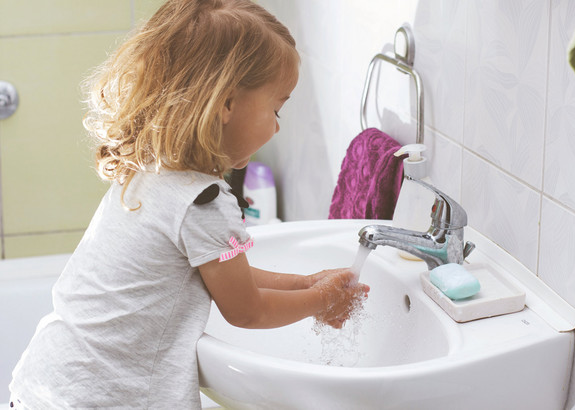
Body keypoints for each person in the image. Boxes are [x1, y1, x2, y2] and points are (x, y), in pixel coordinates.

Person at [9, 1, 369, 408]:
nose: (277, 125)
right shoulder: (205, 201)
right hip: (99, 398)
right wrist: (322, 302)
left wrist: (303, 284)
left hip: (53, 381)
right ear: (227, 104)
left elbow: (224, 271)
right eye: (275, 108)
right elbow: (246, 309)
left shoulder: (153, 168)